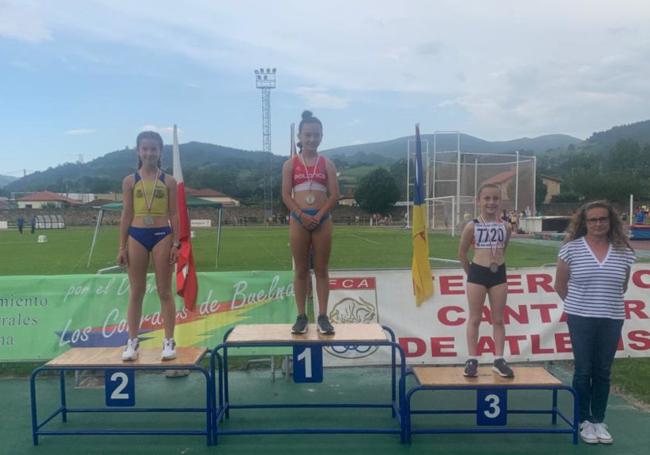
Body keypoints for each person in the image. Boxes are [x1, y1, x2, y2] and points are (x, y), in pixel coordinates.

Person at [554, 200, 635, 444]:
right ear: (584, 223)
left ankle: (599, 419)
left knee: (603, 371)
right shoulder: (571, 249)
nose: (598, 223)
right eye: (593, 219)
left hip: (612, 318)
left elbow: (623, 285)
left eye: (603, 219)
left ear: (610, 222)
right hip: (581, 318)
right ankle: (583, 420)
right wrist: (579, 305)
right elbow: (560, 285)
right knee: (583, 369)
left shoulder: (624, 251)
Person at [117, 131, 180, 361]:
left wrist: (177, 243)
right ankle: (132, 342)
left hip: (163, 234)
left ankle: (169, 340)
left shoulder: (169, 181)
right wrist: (121, 247)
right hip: (136, 234)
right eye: (145, 148)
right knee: (137, 291)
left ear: (160, 152)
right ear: (138, 151)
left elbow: (174, 213)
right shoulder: (130, 181)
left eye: (154, 149)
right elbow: (126, 214)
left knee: (164, 290)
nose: (149, 153)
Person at [282, 110, 340, 335]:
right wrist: (302, 214)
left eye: (316, 135)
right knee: (301, 270)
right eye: (307, 135)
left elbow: (334, 195)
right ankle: (301, 316)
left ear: (322, 136)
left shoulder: (327, 164)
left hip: (322, 218)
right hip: (299, 219)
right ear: (300, 135)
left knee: (322, 270)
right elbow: (286, 195)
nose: (312, 139)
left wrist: (318, 214)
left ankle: (323, 316)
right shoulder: (290, 165)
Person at [458, 183, 514, 378]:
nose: (491, 202)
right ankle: (472, 359)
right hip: (477, 274)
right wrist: (471, 273)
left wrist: (496, 262)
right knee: (475, 318)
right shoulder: (472, 226)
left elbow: (503, 248)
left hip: (498, 273)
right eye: (487, 198)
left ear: (500, 201)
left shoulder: (506, 226)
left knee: (498, 319)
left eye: (495, 199)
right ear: (478, 201)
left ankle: (498, 360)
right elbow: (462, 253)